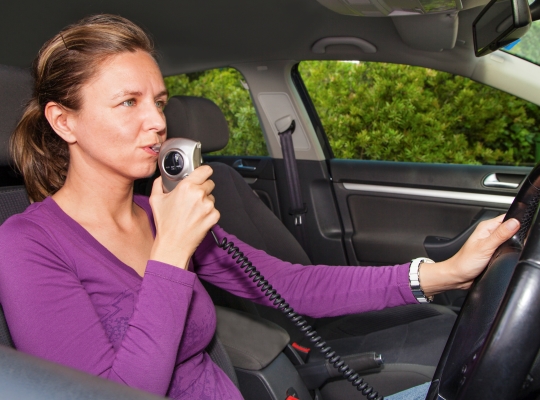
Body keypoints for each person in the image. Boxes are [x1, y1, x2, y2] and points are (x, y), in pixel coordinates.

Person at [0, 14, 520, 400]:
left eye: (158, 101)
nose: (157, 121)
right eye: (128, 102)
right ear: (64, 121)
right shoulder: (28, 245)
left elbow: (293, 285)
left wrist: (441, 274)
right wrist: (171, 255)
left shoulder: (160, 212)